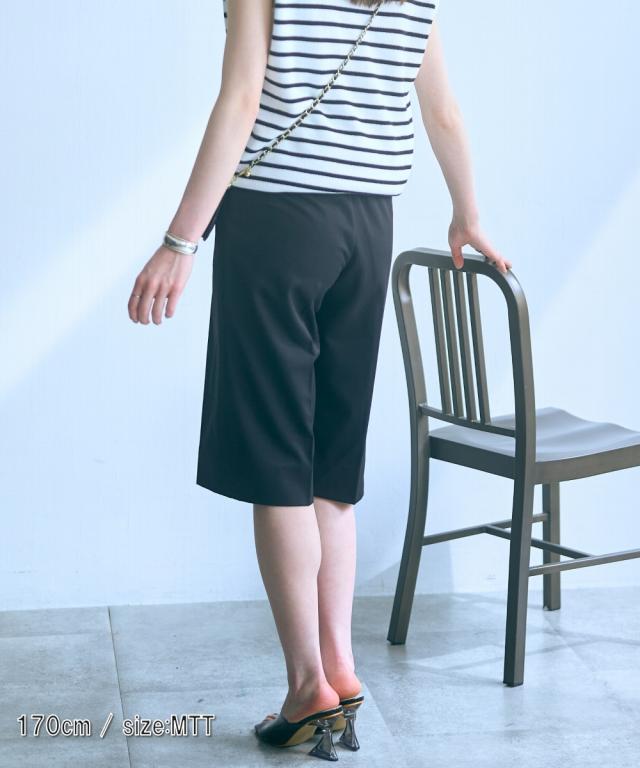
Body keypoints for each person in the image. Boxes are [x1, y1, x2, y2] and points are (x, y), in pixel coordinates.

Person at [127, 0, 511, 760]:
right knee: (331, 462)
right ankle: (339, 668)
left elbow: (243, 96)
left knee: (277, 459)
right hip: (368, 226)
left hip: (276, 222)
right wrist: (467, 213)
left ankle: (307, 687)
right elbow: (443, 108)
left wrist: (180, 240)